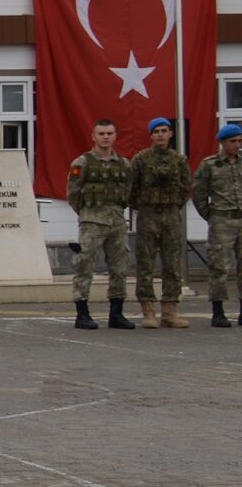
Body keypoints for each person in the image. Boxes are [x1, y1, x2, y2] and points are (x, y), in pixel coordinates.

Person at [66, 118, 134, 331]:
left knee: (120, 268)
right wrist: (86, 214)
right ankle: (82, 313)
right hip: (92, 222)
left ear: (115, 136)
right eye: (101, 133)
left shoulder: (124, 164)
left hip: (116, 221)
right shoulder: (82, 162)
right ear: (93, 137)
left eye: (109, 133)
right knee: (84, 265)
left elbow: (128, 189)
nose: (105, 137)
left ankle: (116, 313)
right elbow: (72, 193)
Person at [128, 117, 192, 330]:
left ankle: (170, 312)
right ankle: (148, 312)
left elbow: (185, 188)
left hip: (171, 215)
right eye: (156, 131)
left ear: (171, 133)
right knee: (145, 264)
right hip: (148, 215)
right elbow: (131, 188)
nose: (161, 135)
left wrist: (171, 206)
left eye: (164, 130)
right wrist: (144, 206)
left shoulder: (179, 160)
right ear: (151, 135)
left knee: (172, 265)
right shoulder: (141, 159)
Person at [192, 123, 242, 328]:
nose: (237, 145)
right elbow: (198, 193)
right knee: (219, 267)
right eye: (233, 141)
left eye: (240, 141)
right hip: (221, 220)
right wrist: (210, 216)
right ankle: (218, 311)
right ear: (222, 142)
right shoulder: (210, 165)